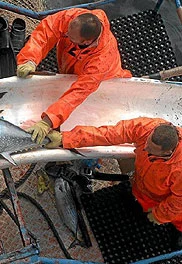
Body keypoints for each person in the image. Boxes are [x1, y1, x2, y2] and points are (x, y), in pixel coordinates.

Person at [45, 117, 182, 235]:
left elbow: (178, 201)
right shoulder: (146, 128)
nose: (145, 149)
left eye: (151, 150)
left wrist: (160, 215)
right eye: (147, 144)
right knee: (139, 203)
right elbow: (111, 133)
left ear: (168, 152)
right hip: (142, 185)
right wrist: (66, 138)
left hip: (167, 199)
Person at [16, 8, 132, 144]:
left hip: (103, 81)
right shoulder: (73, 17)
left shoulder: (100, 62)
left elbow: (77, 94)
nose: (65, 34)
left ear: (86, 42)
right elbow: (47, 31)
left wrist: (47, 121)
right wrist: (29, 59)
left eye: (70, 37)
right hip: (72, 63)